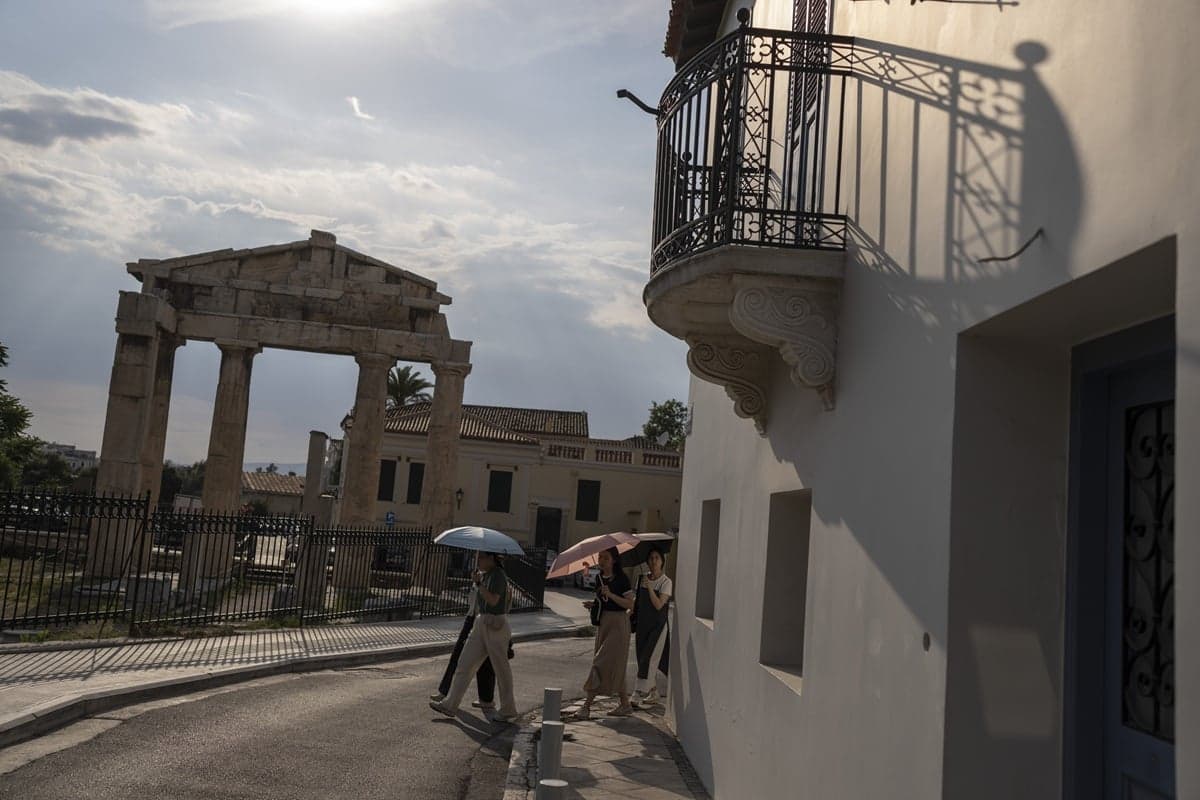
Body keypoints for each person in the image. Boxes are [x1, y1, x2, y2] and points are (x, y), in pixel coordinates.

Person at [430, 552, 518, 723]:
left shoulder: (499, 576)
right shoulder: (486, 576)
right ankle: (450, 704)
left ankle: (508, 709)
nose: (479, 561)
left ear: (491, 559)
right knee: (464, 663)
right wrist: (478, 582)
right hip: (481, 622)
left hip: (496, 625)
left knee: (501, 669)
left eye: (482, 558)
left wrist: (478, 584)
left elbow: (493, 600)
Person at [570, 547, 635, 719]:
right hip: (604, 623)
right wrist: (594, 605)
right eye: (600, 557)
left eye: (605, 557)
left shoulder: (622, 579)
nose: (602, 560)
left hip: (619, 624)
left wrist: (611, 595)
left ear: (614, 560)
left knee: (600, 662)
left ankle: (586, 706)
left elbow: (630, 605)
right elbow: (602, 601)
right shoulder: (598, 578)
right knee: (614, 664)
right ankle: (625, 704)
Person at [631, 548, 672, 708]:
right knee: (642, 658)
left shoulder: (666, 582)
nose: (654, 561)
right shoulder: (641, 578)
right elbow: (638, 601)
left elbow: (659, 605)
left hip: (657, 627)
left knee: (648, 658)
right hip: (642, 626)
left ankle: (637, 694)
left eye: (657, 557)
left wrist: (649, 587)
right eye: (651, 558)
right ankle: (654, 692)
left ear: (662, 561)